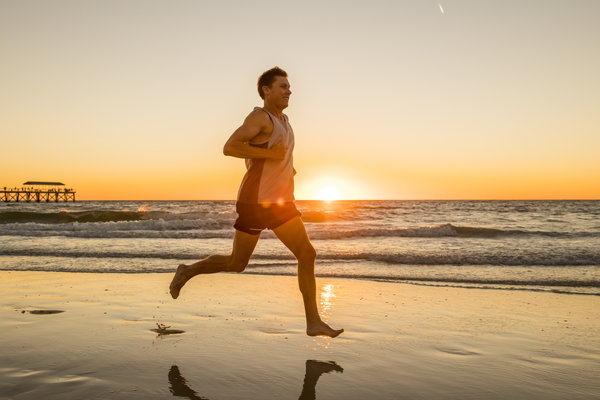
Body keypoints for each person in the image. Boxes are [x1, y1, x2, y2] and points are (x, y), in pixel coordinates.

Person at [169, 67, 343, 338]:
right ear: (266, 90)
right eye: (283, 86)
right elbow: (230, 147)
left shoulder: (284, 121)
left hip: (278, 201)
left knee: (252, 261)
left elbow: (275, 156)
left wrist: (287, 168)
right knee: (290, 256)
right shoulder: (259, 117)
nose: (289, 91)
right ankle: (313, 321)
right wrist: (272, 156)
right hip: (257, 201)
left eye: (289, 86)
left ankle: (188, 270)